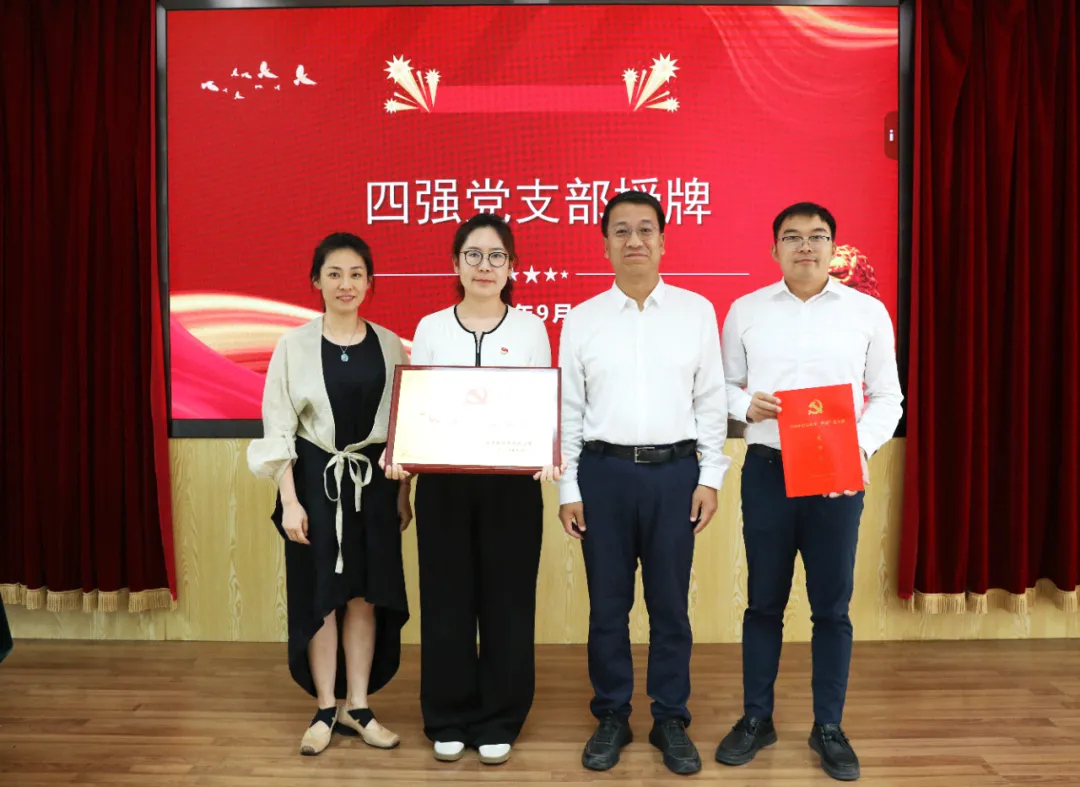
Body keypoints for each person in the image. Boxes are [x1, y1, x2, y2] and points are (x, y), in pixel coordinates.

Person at [714, 202, 903, 781]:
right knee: (763, 604)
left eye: (817, 236)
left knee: (832, 608)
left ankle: (828, 727)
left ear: (833, 248)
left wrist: (857, 449)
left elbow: (887, 397)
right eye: (792, 237)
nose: (805, 246)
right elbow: (721, 386)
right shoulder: (746, 311)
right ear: (774, 249)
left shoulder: (867, 312)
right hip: (768, 470)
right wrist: (743, 405)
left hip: (836, 475)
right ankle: (757, 719)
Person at [557, 190, 730, 776]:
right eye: (622, 230)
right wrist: (569, 489)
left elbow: (711, 402)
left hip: (675, 475)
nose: (634, 240)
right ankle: (611, 713)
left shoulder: (695, 312)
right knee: (608, 604)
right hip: (602, 475)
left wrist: (709, 477)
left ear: (663, 241)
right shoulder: (582, 319)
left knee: (669, 604)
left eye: (646, 229)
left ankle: (669, 717)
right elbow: (569, 410)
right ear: (605, 244)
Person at [382, 213, 562, 766]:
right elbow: (419, 408)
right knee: (446, 601)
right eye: (474, 255)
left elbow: (540, 407)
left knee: (509, 602)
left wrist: (545, 451)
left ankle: (500, 717)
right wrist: (403, 467)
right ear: (456, 264)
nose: (485, 266)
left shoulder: (530, 329)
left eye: (496, 256)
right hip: (444, 487)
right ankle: (447, 715)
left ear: (512, 267)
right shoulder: (433, 327)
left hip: (512, 491)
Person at [247, 232, 412, 757]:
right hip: (314, 483)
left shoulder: (390, 343)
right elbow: (278, 425)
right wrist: (290, 501)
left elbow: (403, 422)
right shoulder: (293, 345)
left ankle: (357, 706)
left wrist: (403, 494)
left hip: (374, 486)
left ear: (370, 282)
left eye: (357, 274)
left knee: (364, 593)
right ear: (316, 280)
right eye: (335, 273)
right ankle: (323, 708)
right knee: (322, 596)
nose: (346, 284)